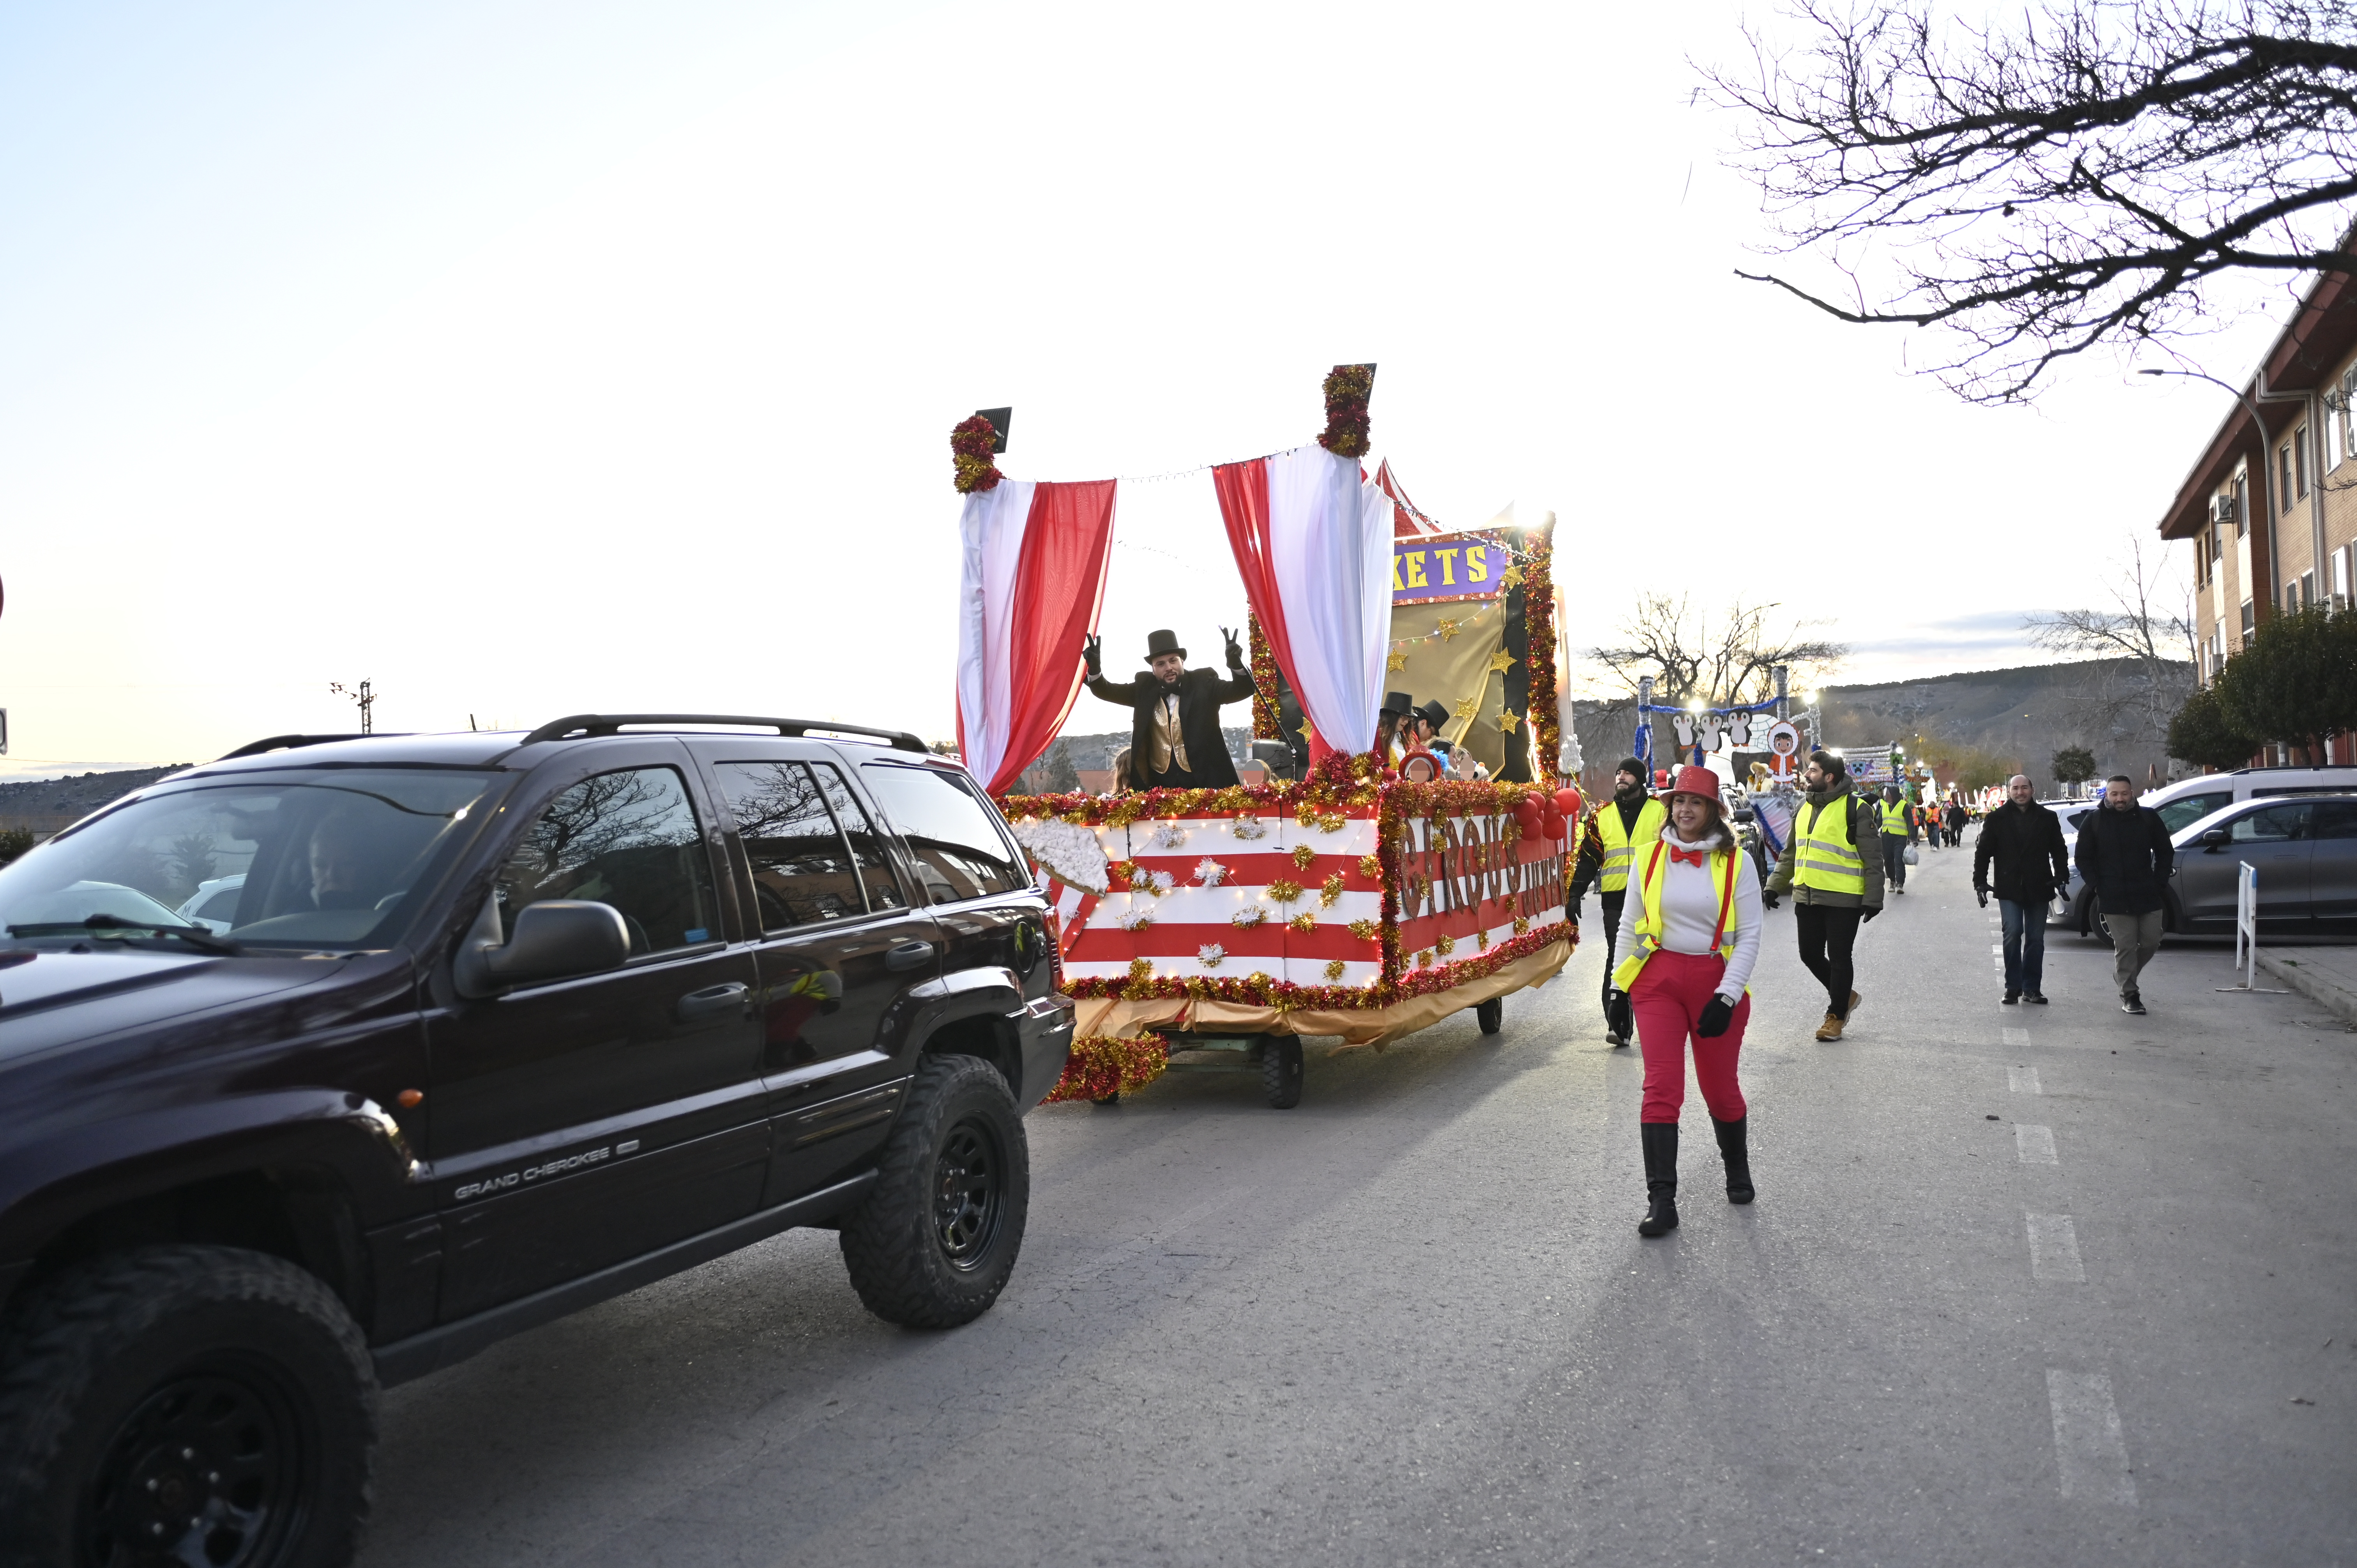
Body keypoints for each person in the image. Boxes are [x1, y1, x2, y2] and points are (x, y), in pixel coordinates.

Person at [1604, 765, 1763, 1238]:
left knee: (1720, 1089)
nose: (1685, 810)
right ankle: (1662, 1200)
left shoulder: (1738, 862)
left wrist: (1728, 995)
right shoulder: (1650, 856)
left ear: (1714, 811)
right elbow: (1630, 924)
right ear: (1669, 807)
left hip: (1717, 980)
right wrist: (1618, 989)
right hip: (1659, 980)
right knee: (1661, 1087)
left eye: (1696, 802)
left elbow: (1751, 935)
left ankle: (1736, 1166)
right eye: (1679, 802)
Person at [1762, 750, 1885, 1040]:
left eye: (1813, 771)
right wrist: (1773, 885)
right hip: (1806, 895)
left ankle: (1836, 1015)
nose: (1806, 775)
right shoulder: (1803, 809)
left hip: (1844, 898)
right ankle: (1846, 996)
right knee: (1810, 955)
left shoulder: (1855, 809)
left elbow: (1873, 858)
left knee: (1840, 957)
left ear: (1829, 777)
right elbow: (1790, 853)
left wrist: (1873, 898)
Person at [1569, 758, 1667, 1046]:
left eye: (1626, 773)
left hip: (1655, 899)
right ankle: (1618, 1025)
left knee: (1654, 958)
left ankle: (1659, 1018)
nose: (1620, 777)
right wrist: (1575, 893)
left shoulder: (1661, 811)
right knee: (1618, 957)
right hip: (1615, 901)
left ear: (1640, 779)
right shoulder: (1603, 816)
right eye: (1618, 773)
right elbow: (1589, 858)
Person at [1083, 628, 1255, 789]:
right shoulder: (1144, 688)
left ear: (1183, 661)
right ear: (1153, 669)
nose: (1168, 668)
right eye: (1161, 664)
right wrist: (1095, 670)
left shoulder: (1204, 682)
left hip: (1207, 782)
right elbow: (1107, 691)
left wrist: (1236, 665)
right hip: (1159, 785)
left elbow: (1242, 690)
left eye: (1173, 660)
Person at [2075, 773, 2176, 1015]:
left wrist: (2159, 882)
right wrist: (2098, 886)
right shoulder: (2095, 821)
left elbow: (2165, 851)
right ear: (2107, 795)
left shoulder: (2148, 818)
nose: (2120, 799)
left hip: (2147, 893)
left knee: (2152, 941)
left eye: (2124, 793)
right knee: (2126, 946)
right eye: (2114, 794)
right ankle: (2130, 994)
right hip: (2112, 896)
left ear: (2132, 793)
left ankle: (2122, 974)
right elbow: (2083, 858)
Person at [1972, 774, 2069, 1005]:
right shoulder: (1997, 819)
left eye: (2024, 788)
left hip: (2040, 886)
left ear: (2032, 790)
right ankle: (2012, 987)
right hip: (2009, 888)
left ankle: (2032, 988)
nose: (2020, 792)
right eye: (2015, 788)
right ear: (2009, 792)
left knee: (2036, 939)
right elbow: (1983, 853)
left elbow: (2059, 849)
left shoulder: (2047, 818)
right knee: (2013, 934)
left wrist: (2061, 875)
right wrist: (1980, 882)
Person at [1878, 784, 1913, 893]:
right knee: (1888, 860)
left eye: (1887, 795)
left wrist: (1912, 839)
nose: (1885, 797)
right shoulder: (1884, 807)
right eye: (1885, 795)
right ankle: (1892, 881)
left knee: (1899, 860)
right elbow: (1878, 822)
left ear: (1894, 795)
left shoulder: (1904, 806)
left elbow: (1910, 823)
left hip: (1900, 838)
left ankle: (1900, 884)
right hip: (1886, 837)